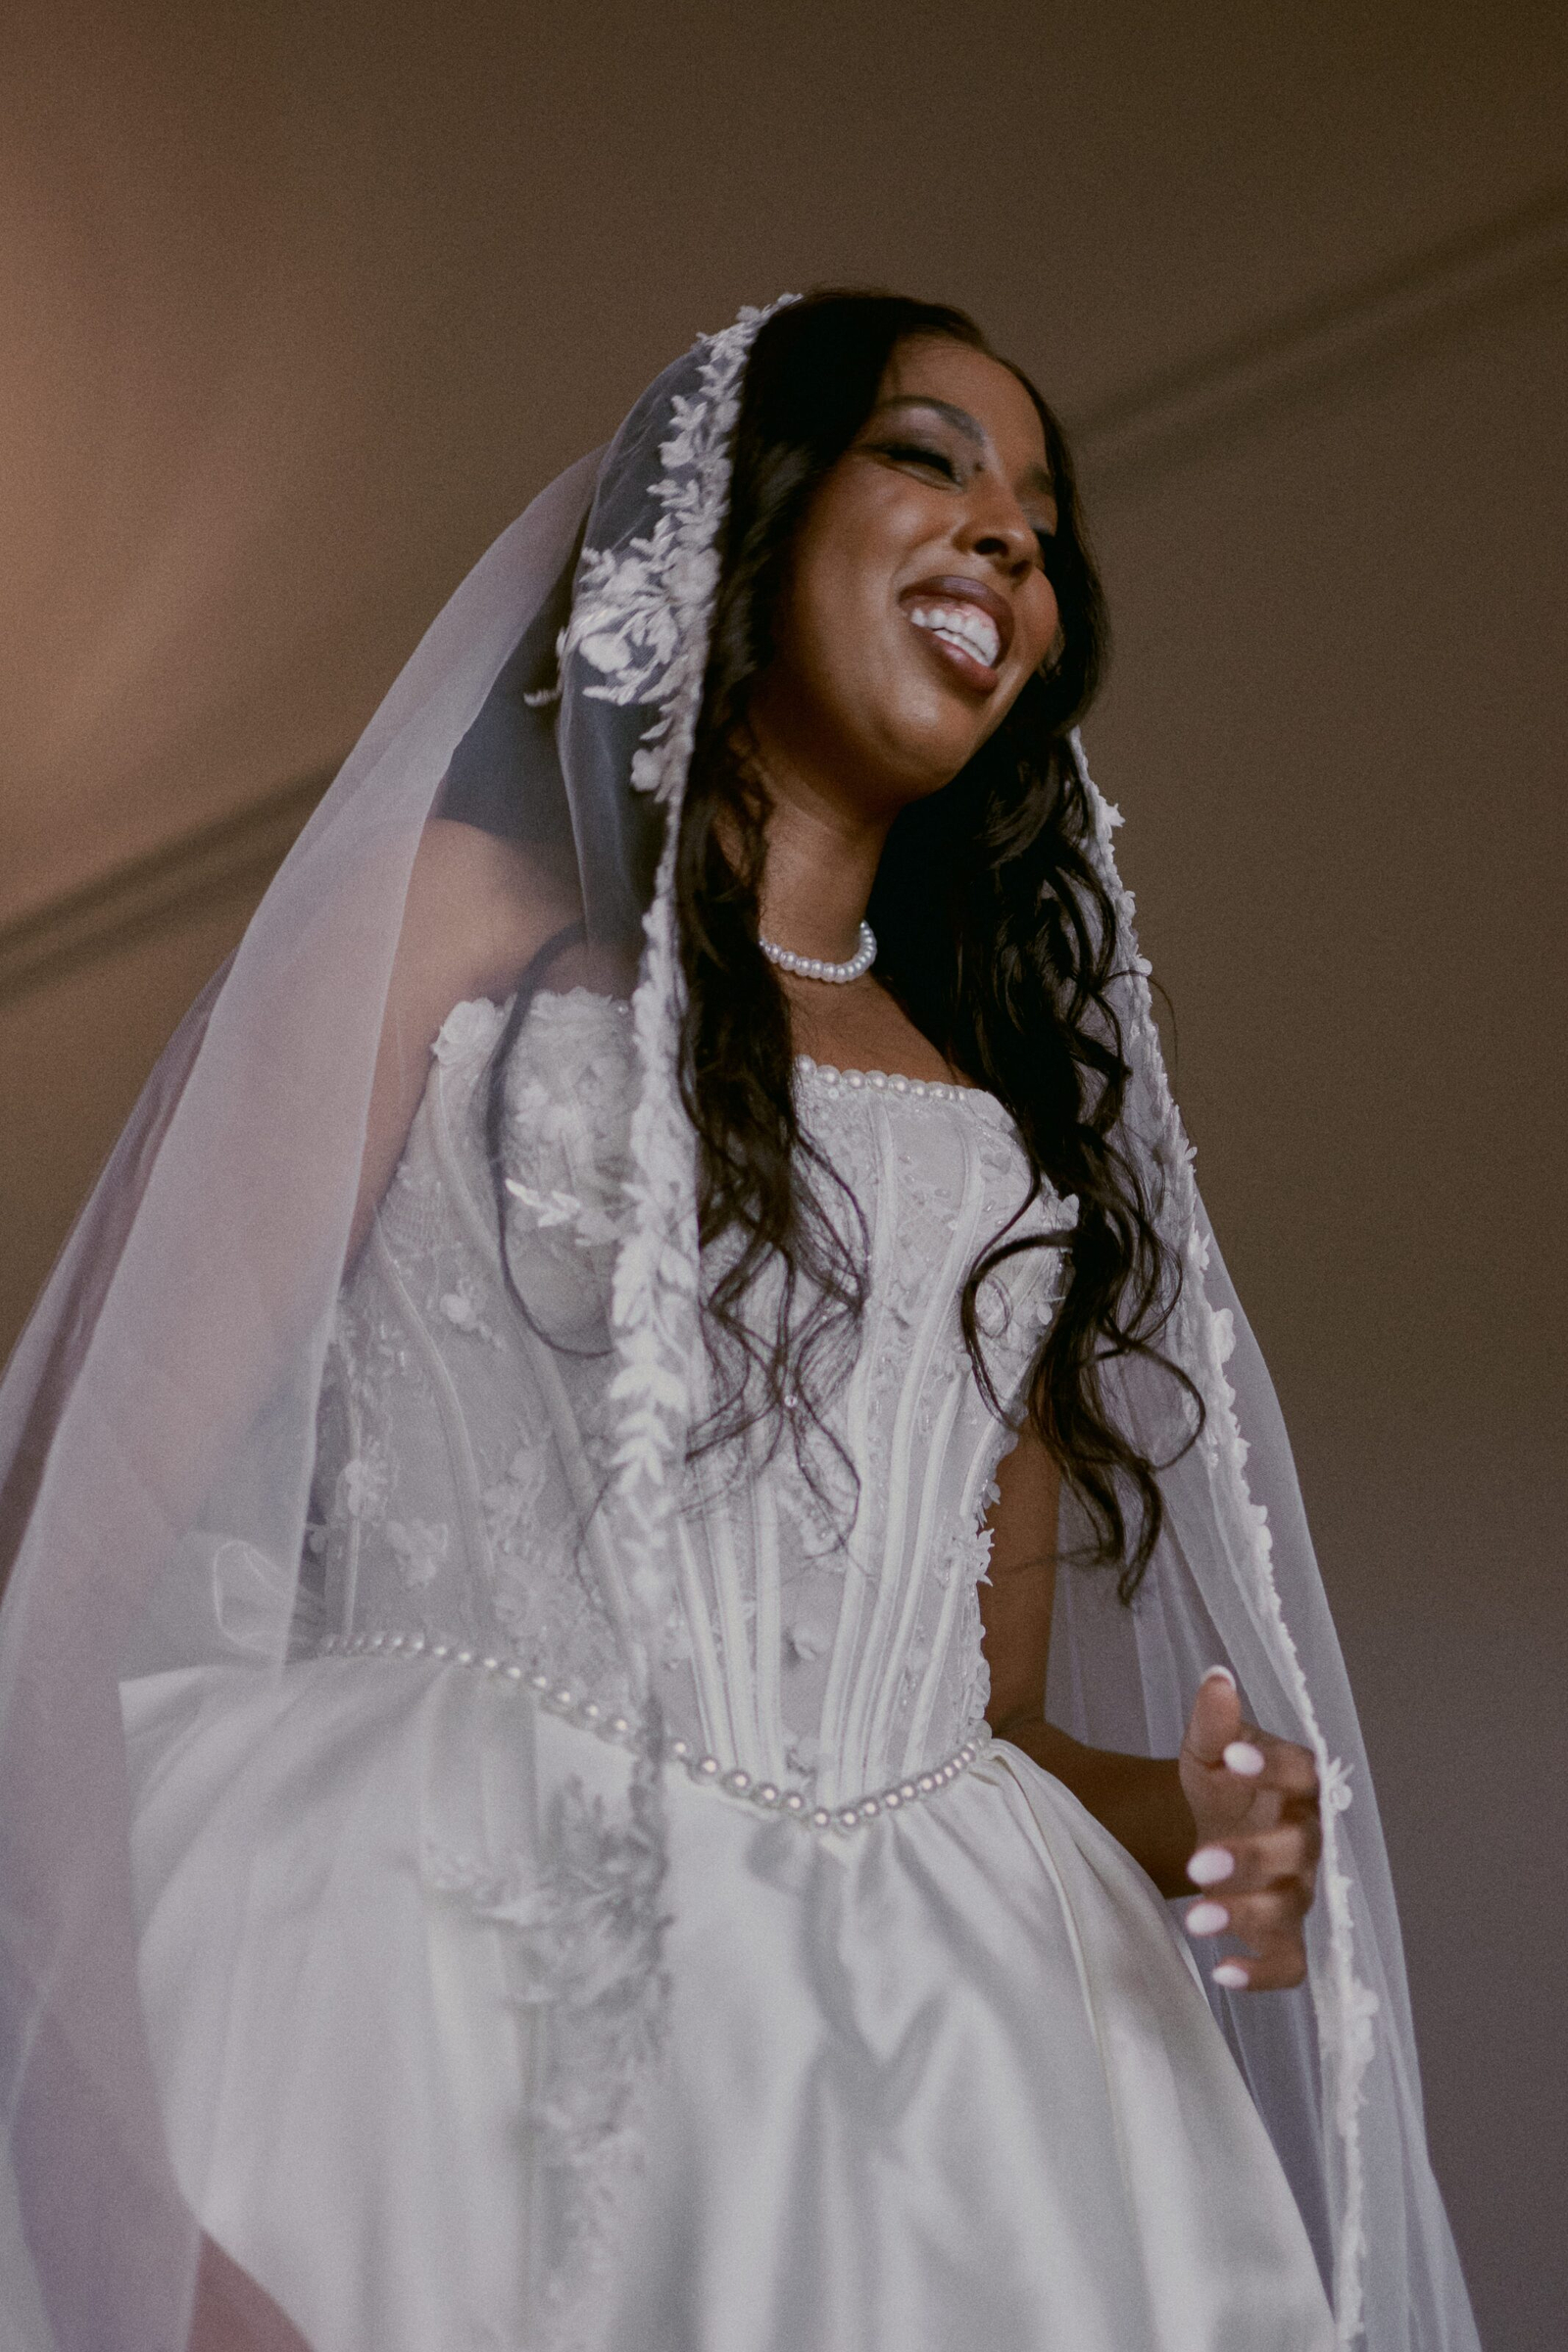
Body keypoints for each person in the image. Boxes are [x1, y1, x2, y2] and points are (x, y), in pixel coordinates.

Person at [0, 292, 1480, 2352]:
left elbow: (984, 1722)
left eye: (1043, 525)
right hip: (431, 1978)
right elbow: (58, 1558)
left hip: (940, 2081)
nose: (1009, 537)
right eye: (930, 458)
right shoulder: (451, 926)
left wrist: (1191, 1818)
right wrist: (133, 2220)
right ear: (741, 512)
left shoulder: (1000, 1144)